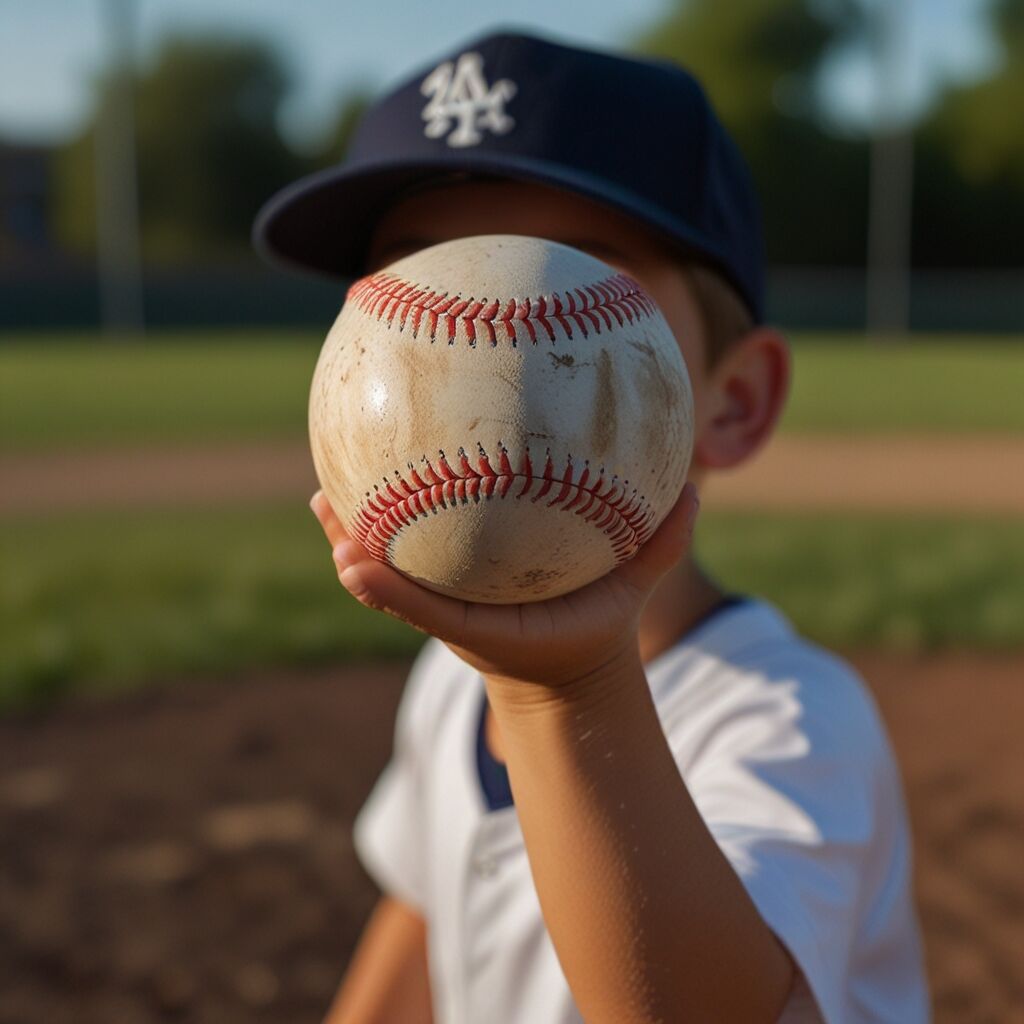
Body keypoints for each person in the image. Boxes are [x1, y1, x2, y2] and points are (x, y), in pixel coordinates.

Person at [255, 31, 929, 1024]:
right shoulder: (450, 681)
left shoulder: (788, 720)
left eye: (563, 271)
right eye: (419, 272)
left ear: (732, 401)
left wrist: (564, 693)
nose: (489, 333)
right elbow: (423, 914)